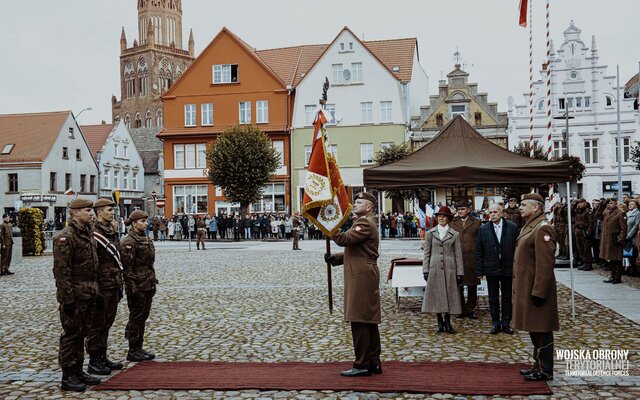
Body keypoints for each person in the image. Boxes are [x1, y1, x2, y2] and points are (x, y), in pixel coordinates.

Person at [324, 192, 381, 377]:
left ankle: (362, 363)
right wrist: (336, 258)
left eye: (359, 202)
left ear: (370, 206)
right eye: (355, 201)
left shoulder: (364, 222)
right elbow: (357, 250)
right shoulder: (366, 221)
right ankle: (374, 361)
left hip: (361, 275)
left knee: (360, 319)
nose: (355, 204)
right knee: (368, 319)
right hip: (363, 271)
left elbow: (345, 240)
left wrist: (330, 225)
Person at [53, 198, 101, 391]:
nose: (91, 213)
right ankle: (68, 375)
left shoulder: (87, 233)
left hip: (88, 292)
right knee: (71, 335)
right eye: (87, 210)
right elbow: (62, 271)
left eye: (91, 210)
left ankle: (78, 370)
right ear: (75, 213)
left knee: (82, 333)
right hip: (75, 294)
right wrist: (68, 299)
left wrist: (95, 290)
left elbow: (93, 266)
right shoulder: (66, 236)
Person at [513, 193, 559, 381]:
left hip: (537, 288)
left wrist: (539, 291)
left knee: (542, 329)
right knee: (535, 328)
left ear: (536, 207)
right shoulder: (531, 226)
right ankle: (538, 364)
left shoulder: (542, 228)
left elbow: (546, 264)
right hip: (528, 286)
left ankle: (545, 369)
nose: (520, 207)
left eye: (524, 205)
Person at [86, 198, 124, 375]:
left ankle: (102, 356)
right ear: (99, 211)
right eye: (109, 210)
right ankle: (94, 360)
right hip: (101, 285)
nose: (112, 212)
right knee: (97, 324)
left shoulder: (112, 230)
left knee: (107, 323)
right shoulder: (94, 232)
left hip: (113, 283)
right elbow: (92, 262)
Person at [475, 203, 518, 334]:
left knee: (506, 297)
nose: (492, 215)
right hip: (491, 268)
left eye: (495, 212)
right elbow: (479, 250)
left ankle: (506, 323)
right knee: (493, 297)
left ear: (501, 213)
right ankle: (495, 322)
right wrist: (479, 270)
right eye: (490, 213)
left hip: (507, 268)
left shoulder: (512, 227)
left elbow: (517, 249)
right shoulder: (484, 229)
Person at [121, 210, 158, 362]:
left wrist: (153, 280)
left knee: (143, 316)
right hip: (137, 285)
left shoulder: (145, 238)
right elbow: (127, 268)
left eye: (146, 220)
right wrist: (132, 287)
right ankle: (133, 349)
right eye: (142, 221)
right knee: (136, 317)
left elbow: (150, 264)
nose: (146, 223)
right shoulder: (129, 242)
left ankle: (139, 347)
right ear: (134, 223)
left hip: (147, 282)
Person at [422, 206, 463, 334]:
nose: (441, 218)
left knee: (450, 294)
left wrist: (459, 272)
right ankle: (439, 320)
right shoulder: (430, 233)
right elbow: (426, 253)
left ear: (448, 219)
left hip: (450, 268)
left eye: (444, 216)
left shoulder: (454, 234)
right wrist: (425, 269)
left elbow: (458, 254)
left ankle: (448, 321)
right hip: (434, 268)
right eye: (439, 216)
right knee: (437, 294)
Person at [449, 200, 481, 319]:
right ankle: (461, 309)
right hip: (457, 259)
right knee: (459, 286)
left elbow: (480, 241)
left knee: (472, 286)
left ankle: (470, 309)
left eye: (463, 209)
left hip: (472, 259)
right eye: (458, 209)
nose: (460, 211)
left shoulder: (477, 222)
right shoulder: (452, 223)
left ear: (469, 209)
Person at [600, 198, 627, 284]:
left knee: (617, 260)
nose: (609, 205)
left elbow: (623, 228)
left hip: (616, 239)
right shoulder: (607, 212)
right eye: (609, 203)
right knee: (611, 259)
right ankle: (612, 276)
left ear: (616, 203)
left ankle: (617, 277)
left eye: (611, 203)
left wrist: (621, 239)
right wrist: (604, 203)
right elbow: (598, 214)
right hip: (609, 240)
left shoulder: (620, 213)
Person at [573, 199, 594, 271]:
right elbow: (572, 210)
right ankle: (584, 262)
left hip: (584, 231)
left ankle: (588, 264)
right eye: (579, 203)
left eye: (581, 203)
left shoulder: (588, 212)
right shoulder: (579, 211)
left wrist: (588, 232)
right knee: (580, 248)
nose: (579, 204)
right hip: (578, 231)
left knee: (586, 248)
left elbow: (591, 223)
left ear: (585, 203)